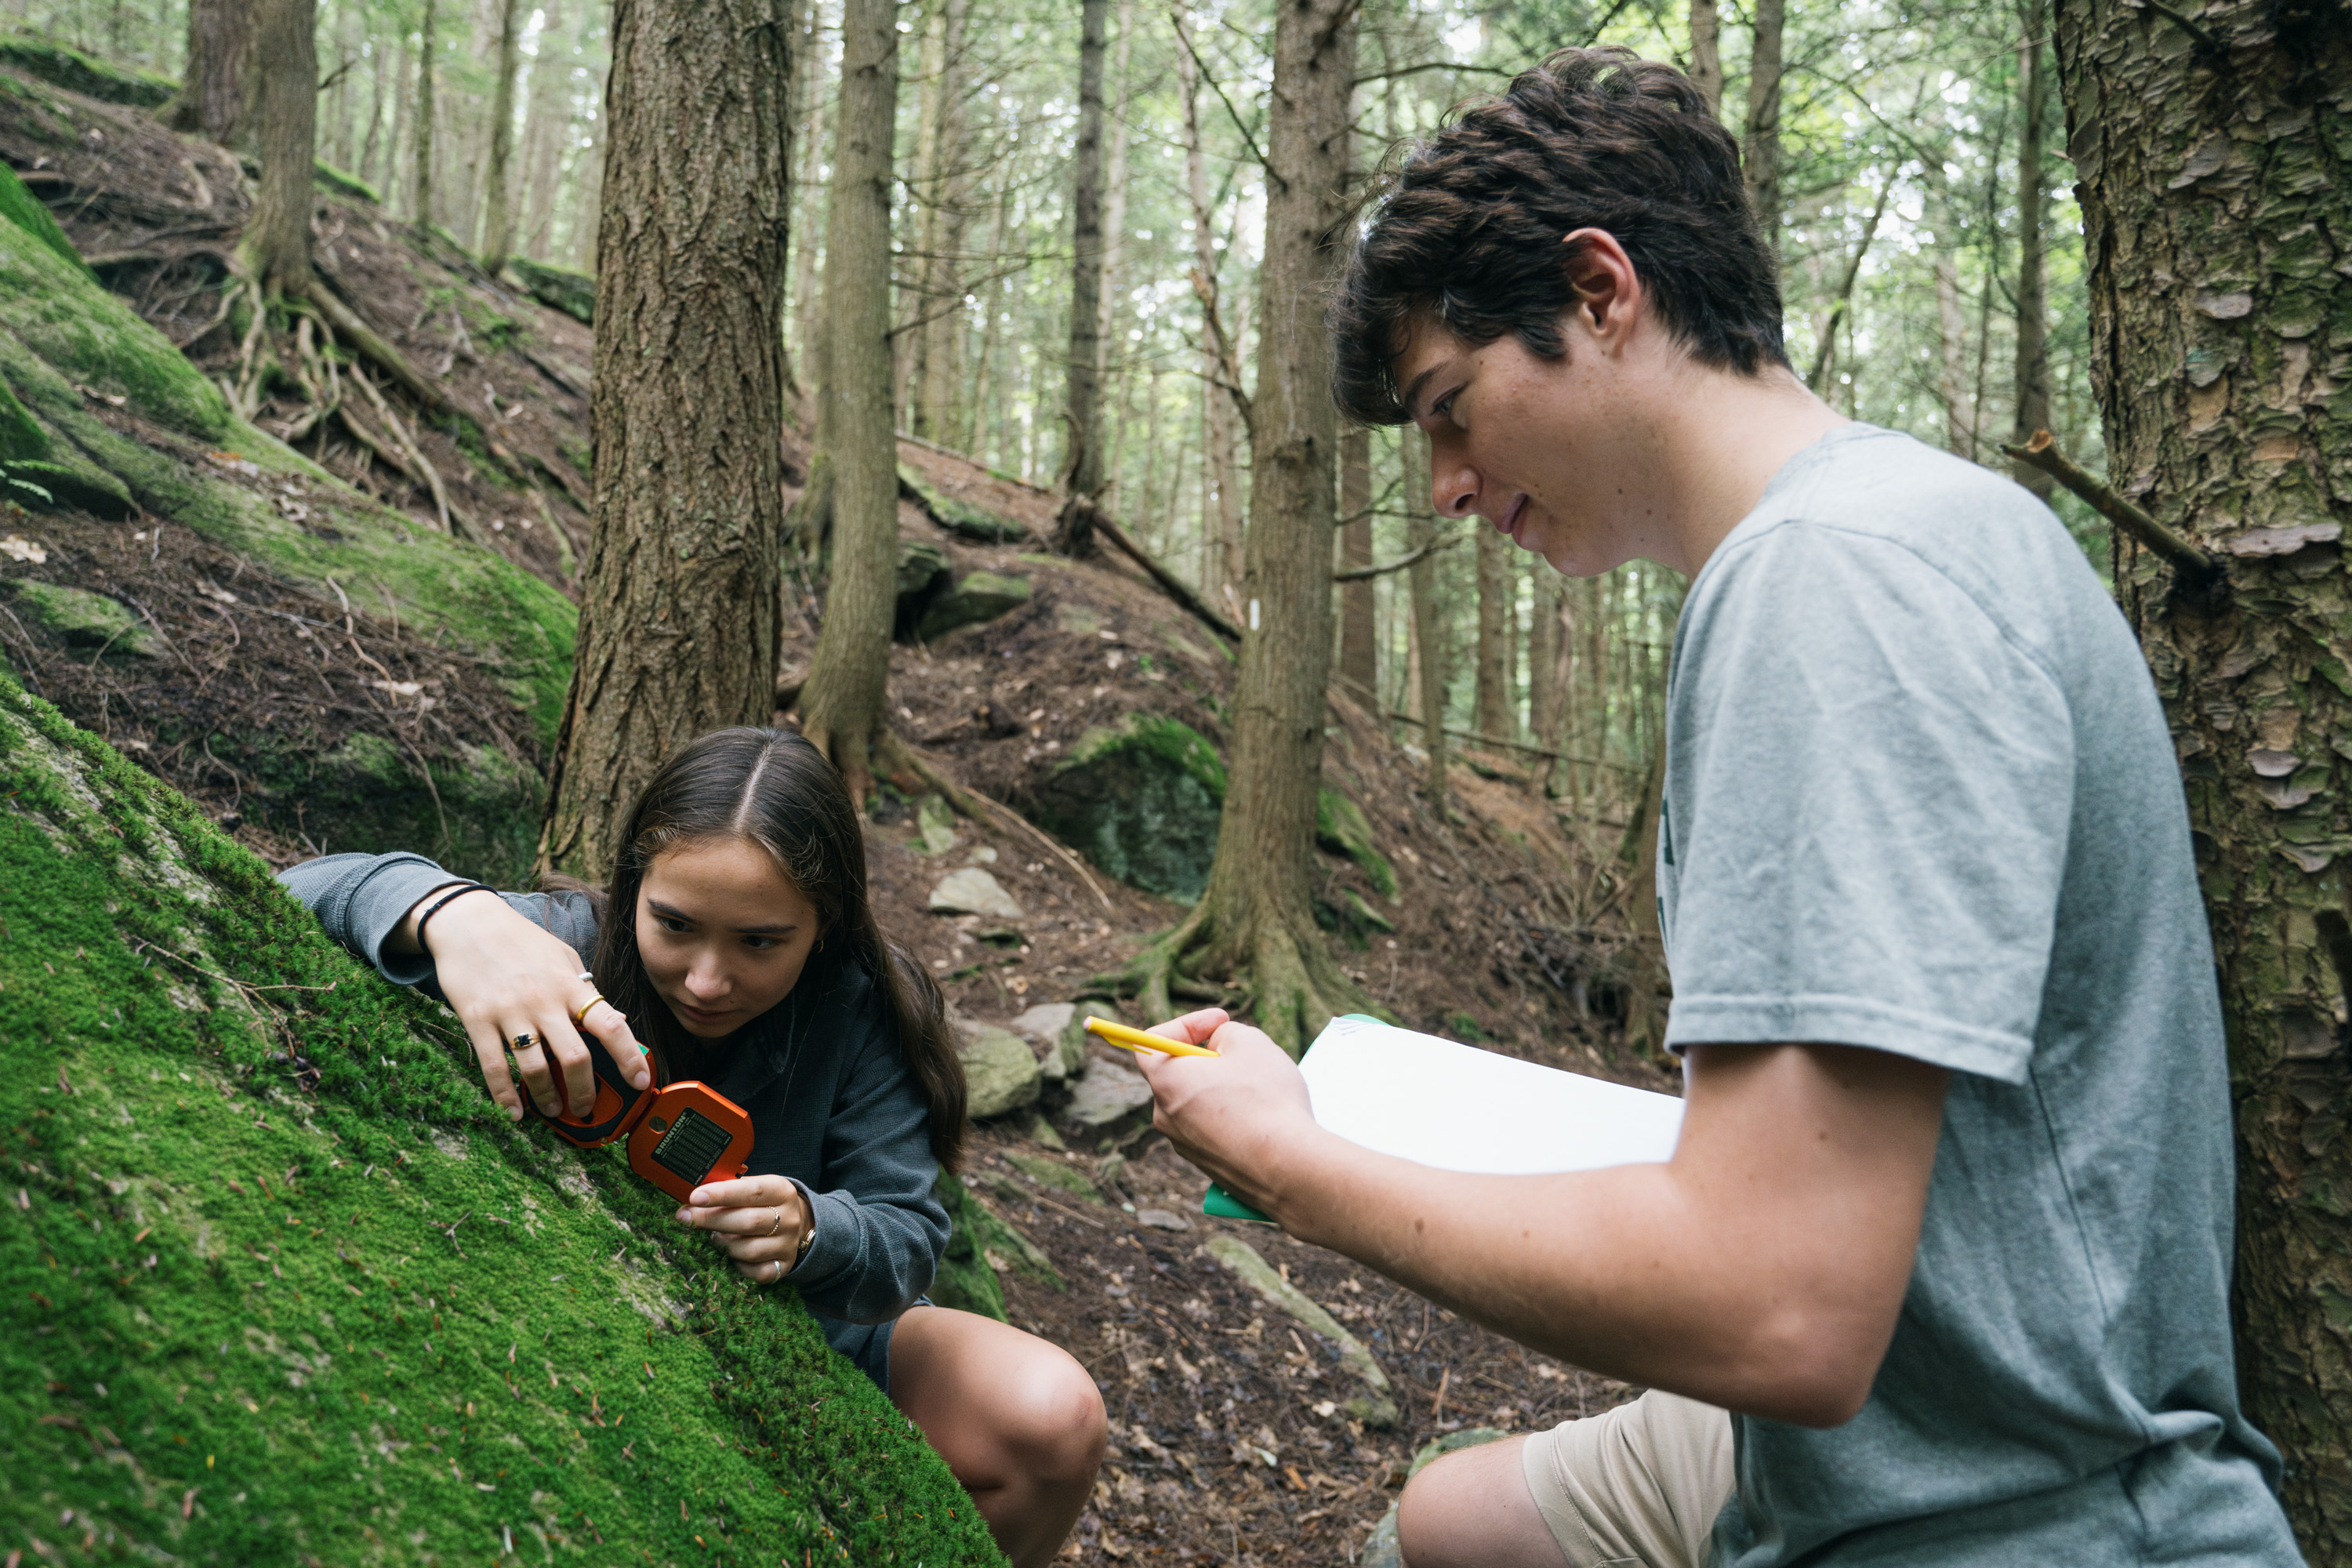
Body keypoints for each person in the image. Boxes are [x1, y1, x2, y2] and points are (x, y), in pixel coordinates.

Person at [1130, 45, 2303, 1568]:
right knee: (1443, 1526)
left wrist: (1295, 1164)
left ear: (1602, 291)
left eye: (1451, 408)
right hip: (1927, 1420)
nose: (1443, 486)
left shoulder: (1834, 585)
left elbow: (1784, 1308)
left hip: (2024, 1508)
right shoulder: (1894, 530)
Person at [281, 728, 1105, 1568]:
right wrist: (456, 917)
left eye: (759, 940)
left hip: (825, 1330)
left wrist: (813, 1228)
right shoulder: (556, 953)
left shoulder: (860, 1011)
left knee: (1058, 1416)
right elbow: (293, 887)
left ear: (824, 923)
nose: (708, 979)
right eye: (675, 924)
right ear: (634, 887)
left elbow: (907, 1240)